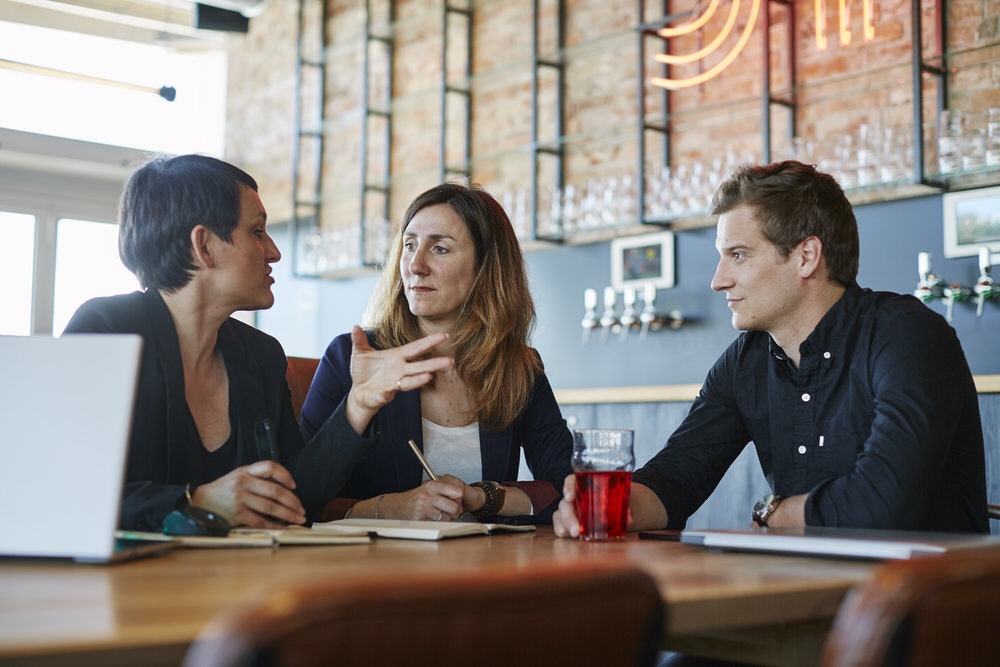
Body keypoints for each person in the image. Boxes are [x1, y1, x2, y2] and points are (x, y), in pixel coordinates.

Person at [554, 160, 988, 538]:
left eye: (738, 255)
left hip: (928, 608)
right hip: (803, 593)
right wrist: (612, 508)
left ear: (806, 256)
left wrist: (775, 512)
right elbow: (674, 480)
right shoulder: (745, 360)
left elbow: (882, 503)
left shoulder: (908, 335)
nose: (718, 279)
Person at [64, 154, 449, 531]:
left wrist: (359, 403)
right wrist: (195, 502)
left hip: (238, 583)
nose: (274, 252)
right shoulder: (106, 330)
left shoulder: (260, 354)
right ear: (204, 246)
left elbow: (296, 498)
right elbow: (65, 491)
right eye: (257, 231)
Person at [299, 182, 574, 524]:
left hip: (487, 569)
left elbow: (568, 491)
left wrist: (485, 497)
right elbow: (300, 500)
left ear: (486, 267)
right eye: (409, 245)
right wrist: (387, 508)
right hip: (374, 569)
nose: (415, 265)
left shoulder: (518, 369)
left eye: (440, 249)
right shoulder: (352, 357)